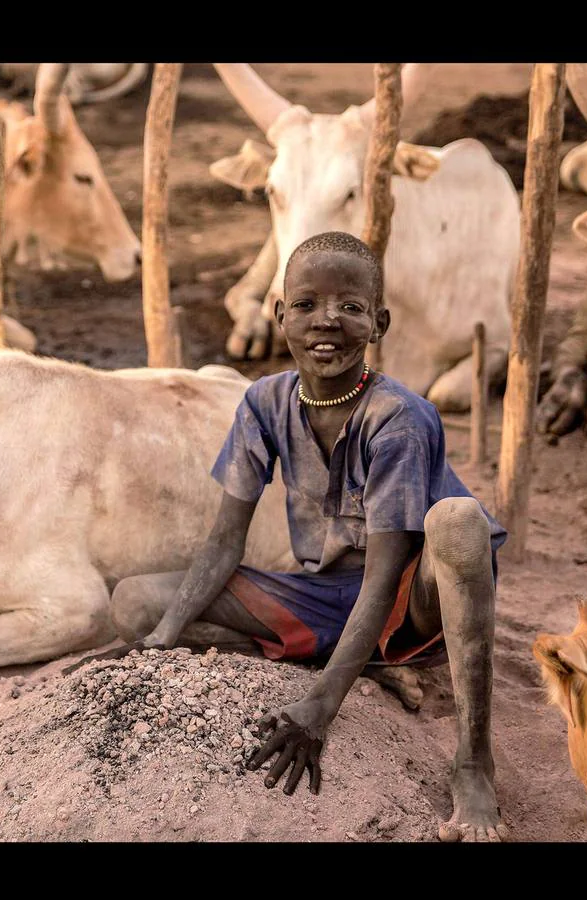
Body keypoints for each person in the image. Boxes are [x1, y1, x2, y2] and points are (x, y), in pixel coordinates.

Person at [69, 231, 509, 842]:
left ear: (378, 323)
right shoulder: (263, 402)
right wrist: (162, 639)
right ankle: (358, 664)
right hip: (324, 595)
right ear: (280, 315)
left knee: (458, 522)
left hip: (414, 601)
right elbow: (226, 542)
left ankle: (473, 764)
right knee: (136, 603)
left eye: (350, 307)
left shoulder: (398, 419)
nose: (326, 321)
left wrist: (320, 709)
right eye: (305, 304)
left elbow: (384, 576)